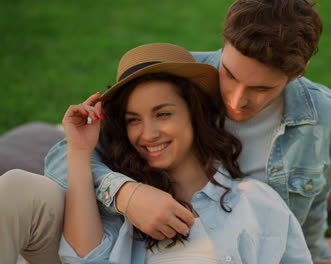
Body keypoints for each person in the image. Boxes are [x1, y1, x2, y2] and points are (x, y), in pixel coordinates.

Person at [0, 0, 331, 262]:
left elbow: (311, 209)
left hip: (226, 235)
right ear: (224, 44)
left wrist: (316, 253)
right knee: (18, 187)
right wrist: (126, 194)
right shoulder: (178, 78)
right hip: (118, 231)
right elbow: (66, 154)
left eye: (261, 90)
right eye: (229, 74)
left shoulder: (320, 120)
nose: (237, 101)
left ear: (297, 73)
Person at [58, 42, 312, 263]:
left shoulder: (256, 201)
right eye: (134, 120)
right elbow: (81, 259)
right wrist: (80, 151)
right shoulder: (126, 212)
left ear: (194, 113)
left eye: (163, 114)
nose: (148, 134)